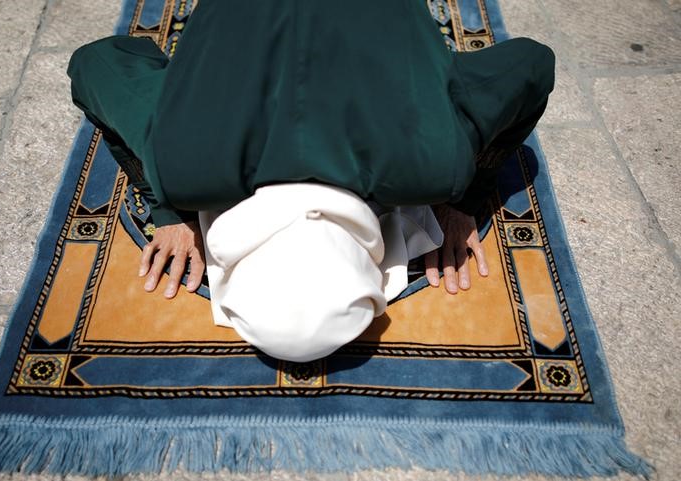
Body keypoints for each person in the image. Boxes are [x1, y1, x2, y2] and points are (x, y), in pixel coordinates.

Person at [66, 0, 555, 362]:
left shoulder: (433, 168)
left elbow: (532, 65)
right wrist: (169, 206)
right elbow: (97, 64)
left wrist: (461, 199)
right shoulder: (181, 170)